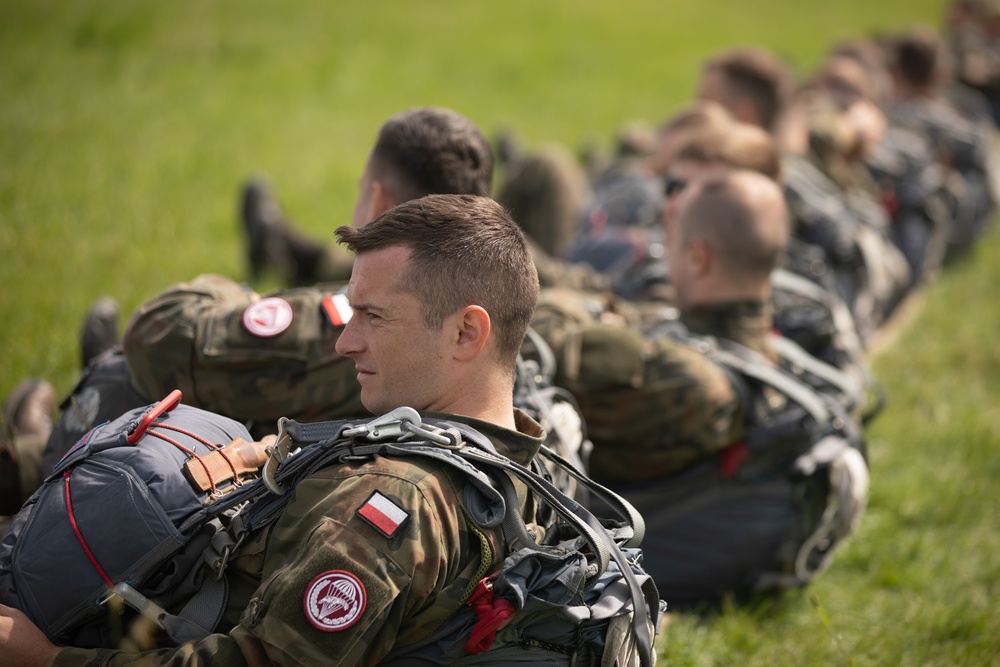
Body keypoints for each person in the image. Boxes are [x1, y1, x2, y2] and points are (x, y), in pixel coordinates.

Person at [0, 193, 558, 666]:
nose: (345, 342)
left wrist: (45, 657)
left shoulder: (393, 504)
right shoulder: (526, 474)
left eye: (375, 317)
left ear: (466, 333)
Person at [46, 107, 499, 465]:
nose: (349, 342)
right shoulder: (498, 303)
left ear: (378, 200)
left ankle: (31, 446)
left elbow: (161, 338)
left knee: (125, 379)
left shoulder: (371, 326)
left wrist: (234, 294)